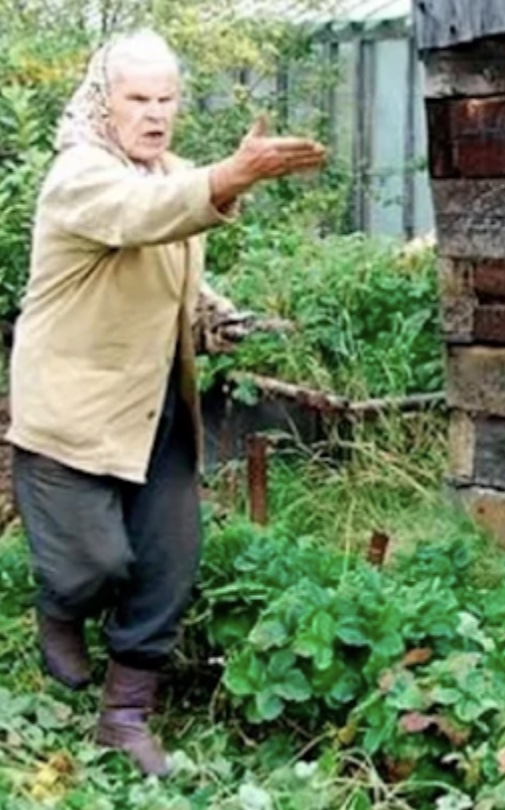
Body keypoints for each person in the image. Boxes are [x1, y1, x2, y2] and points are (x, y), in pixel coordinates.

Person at [7, 29, 326, 776]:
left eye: (166, 99)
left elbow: (172, 257)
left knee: (167, 561)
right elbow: (142, 216)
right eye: (137, 99)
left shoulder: (175, 173)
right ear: (104, 102)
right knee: (93, 561)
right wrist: (233, 174)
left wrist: (216, 315)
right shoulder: (79, 175)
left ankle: (123, 718)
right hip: (72, 410)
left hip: (154, 405)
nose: (154, 114)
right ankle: (60, 601)